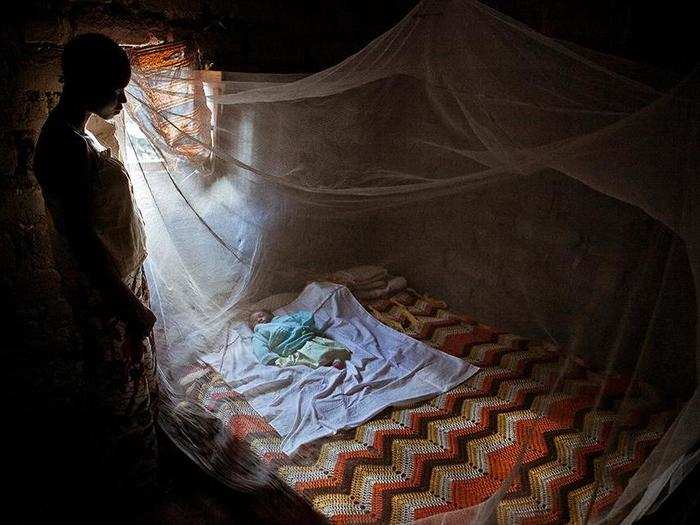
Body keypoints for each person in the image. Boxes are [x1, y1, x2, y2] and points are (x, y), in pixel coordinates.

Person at [33, 33, 159, 506]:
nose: (123, 101)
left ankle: (137, 486)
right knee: (118, 395)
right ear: (89, 86)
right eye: (117, 90)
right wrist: (129, 307)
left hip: (112, 285)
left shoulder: (74, 133)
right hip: (103, 293)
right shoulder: (63, 144)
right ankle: (131, 499)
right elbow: (81, 241)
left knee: (127, 387)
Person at [249, 309, 351, 369]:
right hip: (291, 346)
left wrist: (308, 325)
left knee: (328, 345)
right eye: (255, 321)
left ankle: (336, 358)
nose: (259, 319)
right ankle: (329, 361)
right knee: (308, 354)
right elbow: (259, 347)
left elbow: (301, 317)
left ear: (270, 315)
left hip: (305, 337)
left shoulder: (284, 318)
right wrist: (268, 357)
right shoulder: (259, 333)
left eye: (261, 315)